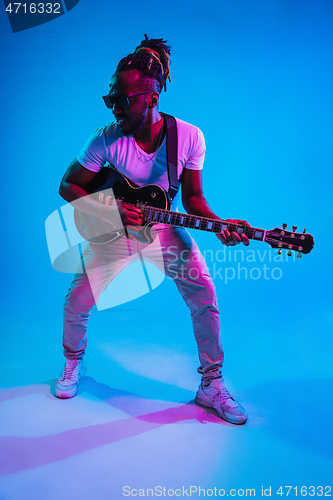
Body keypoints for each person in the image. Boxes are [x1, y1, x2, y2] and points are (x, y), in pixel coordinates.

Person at [55, 35, 250, 425]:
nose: (114, 107)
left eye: (121, 99)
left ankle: (211, 384)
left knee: (205, 293)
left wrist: (220, 224)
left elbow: (193, 200)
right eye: (110, 98)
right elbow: (68, 186)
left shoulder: (189, 137)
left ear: (151, 97)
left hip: (162, 230)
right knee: (78, 300)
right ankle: (73, 364)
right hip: (116, 231)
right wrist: (109, 209)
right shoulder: (105, 138)